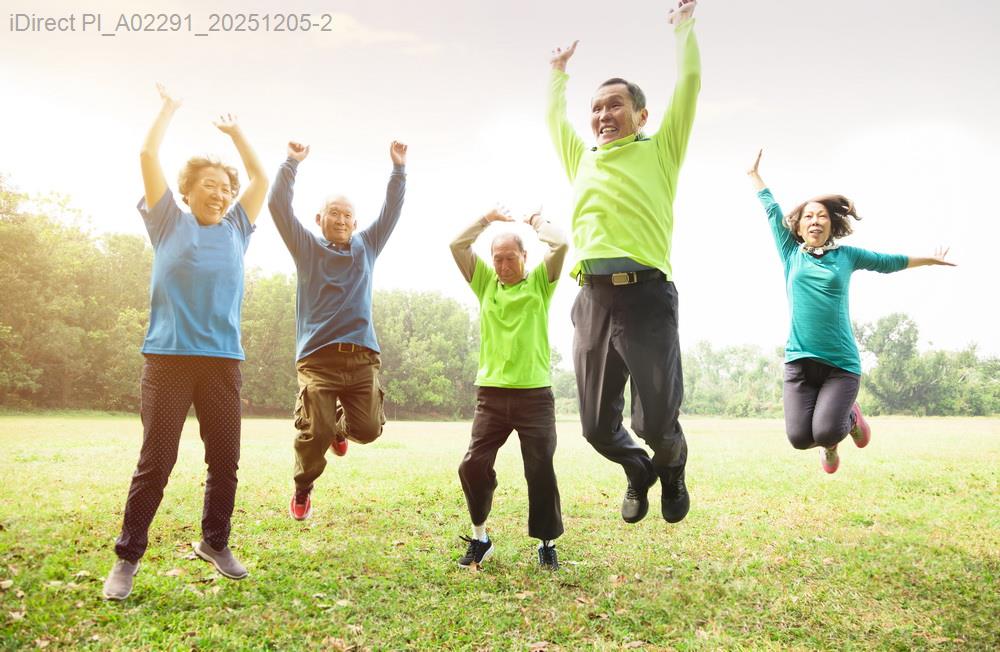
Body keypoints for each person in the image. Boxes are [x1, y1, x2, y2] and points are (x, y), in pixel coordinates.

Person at [103, 84, 268, 601]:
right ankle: (127, 558)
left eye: (226, 187)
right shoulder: (167, 221)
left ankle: (215, 542)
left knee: (225, 461)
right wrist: (169, 108)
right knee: (157, 462)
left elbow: (261, 178)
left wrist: (236, 133)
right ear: (187, 191)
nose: (220, 194)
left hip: (222, 361)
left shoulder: (237, 227)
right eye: (210, 186)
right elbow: (147, 154)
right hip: (168, 360)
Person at [546, 0, 700, 524]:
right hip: (592, 298)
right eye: (596, 108)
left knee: (655, 421)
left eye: (615, 105)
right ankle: (639, 471)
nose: (603, 115)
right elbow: (554, 119)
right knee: (594, 427)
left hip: (646, 297)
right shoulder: (581, 159)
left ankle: (672, 468)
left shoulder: (661, 151)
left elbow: (689, 86)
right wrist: (558, 74)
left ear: (641, 115)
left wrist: (683, 29)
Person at [747, 149, 956, 472]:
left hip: (840, 364)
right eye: (808, 217)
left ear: (831, 225)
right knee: (799, 438)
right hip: (799, 361)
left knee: (827, 431)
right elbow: (772, 211)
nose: (815, 220)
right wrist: (755, 176)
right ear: (798, 228)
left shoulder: (846, 256)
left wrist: (928, 260)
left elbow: (886, 262)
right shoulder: (791, 254)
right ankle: (831, 439)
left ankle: (850, 420)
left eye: (822, 216)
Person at [267, 140, 407, 520]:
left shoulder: (367, 246)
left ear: (356, 223)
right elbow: (278, 206)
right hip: (318, 359)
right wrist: (291, 163)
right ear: (319, 219)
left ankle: (339, 431)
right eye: (334, 213)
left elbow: (392, 211)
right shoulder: (306, 247)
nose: (341, 220)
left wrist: (398, 169)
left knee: (369, 429)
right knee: (316, 430)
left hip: (362, 358)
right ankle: (303, 486)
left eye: (347, 215)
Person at [449, 209, 568, 570]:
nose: (502, 266)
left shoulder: (541, 283)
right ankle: (481, 538)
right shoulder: (486, 283)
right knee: (472, 466)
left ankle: (546, 543)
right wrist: (485, 220)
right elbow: (457, 245)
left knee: (540, 469)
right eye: (497, 259)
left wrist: (535, 222)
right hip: (491, 396)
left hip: (535, 396)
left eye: (510, 258)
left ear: (524, 257)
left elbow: (561, 244)